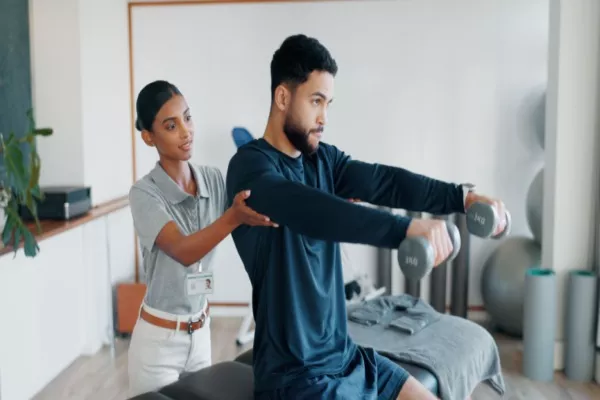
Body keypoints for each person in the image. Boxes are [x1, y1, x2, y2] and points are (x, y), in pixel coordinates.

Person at [225, 34, 507, 400]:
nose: (324, 117)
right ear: (282, 97)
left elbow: (386, 181)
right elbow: (313, 211)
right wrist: (406, 229)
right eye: (315, 101)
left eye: (328, 104)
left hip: (346, 356)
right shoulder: (250, 168)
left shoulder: (323, 160)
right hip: (294, 378)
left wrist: (461, 198)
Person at [127, 80, 277, 397]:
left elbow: (260, 205)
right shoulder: (144, 194)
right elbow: (183, 250)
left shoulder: (212, 179)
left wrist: (326, 201)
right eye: (171, 126)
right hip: (158, 344)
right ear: (149, 136)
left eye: (187, 118)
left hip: (201, 333)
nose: (186, 131)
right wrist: (233, 216)